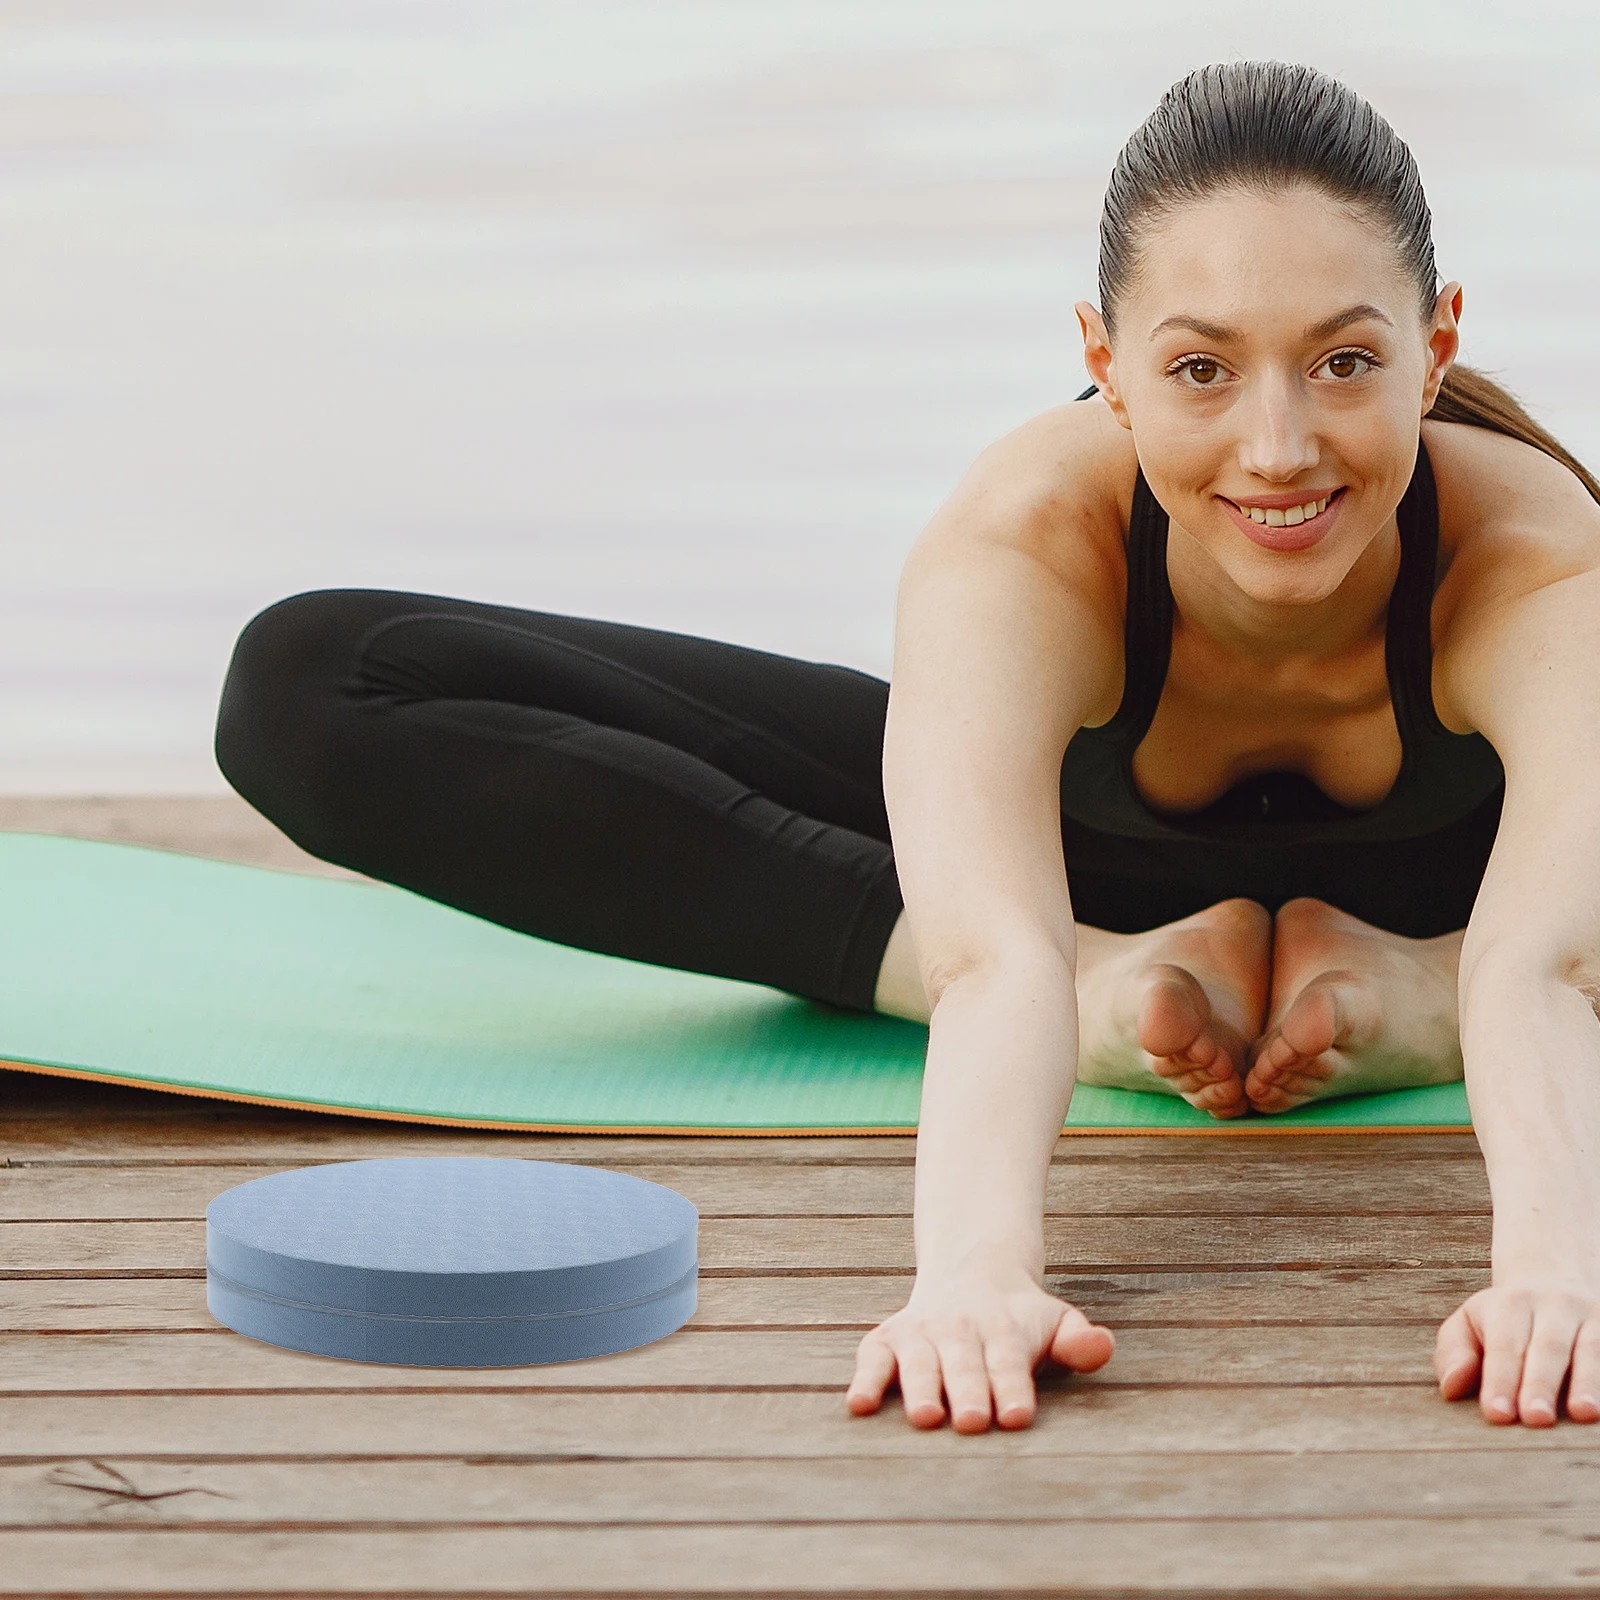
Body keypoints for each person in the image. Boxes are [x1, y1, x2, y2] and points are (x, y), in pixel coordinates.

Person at [214, 60, 1600, 1437]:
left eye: (1346, 360)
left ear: (1441, 345)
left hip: (1485, 905)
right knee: (309, 680)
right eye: (1201, 369)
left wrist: (1556, 1274)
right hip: (1076, 889)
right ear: (1105, 369)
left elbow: (1543, 963)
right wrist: (976, 1276)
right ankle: (1114, 991)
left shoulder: (1537, 562)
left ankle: (1428, 990)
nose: (1279, 444)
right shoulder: (1026, 535)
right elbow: (992, 959)